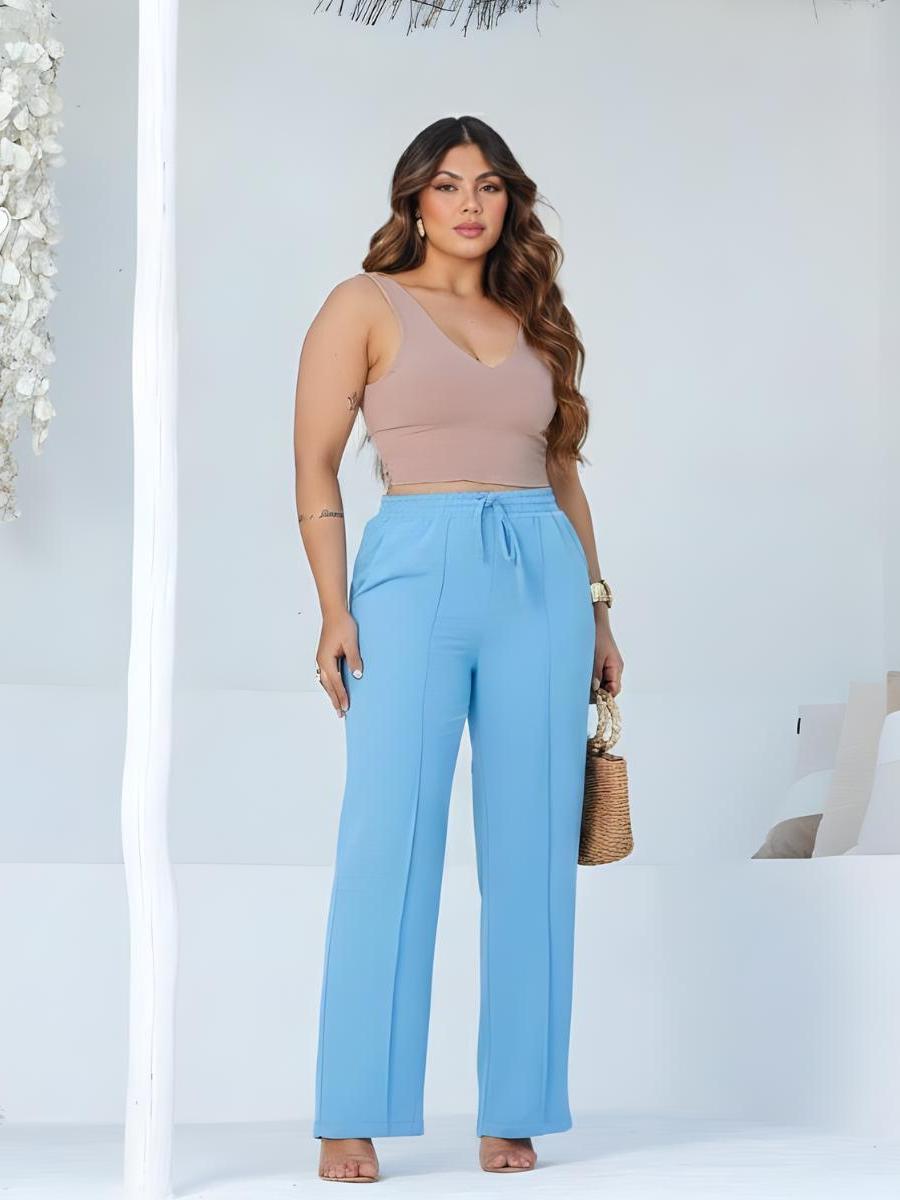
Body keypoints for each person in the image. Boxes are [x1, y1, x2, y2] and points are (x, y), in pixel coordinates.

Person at [293, 115, 623, 1184]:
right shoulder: (363, 304)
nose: (470, 204)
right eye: (448, 185)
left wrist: (599, 610)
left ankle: (515, 1107)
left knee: (533, 848)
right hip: (413, 569)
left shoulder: (533, 313)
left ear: (509, 200)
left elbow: (562, 472)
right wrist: (333, 607)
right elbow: (315, 466)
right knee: (387, 839)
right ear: (415, 201)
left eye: (487, 185)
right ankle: (353, 1108)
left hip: (541, 576)